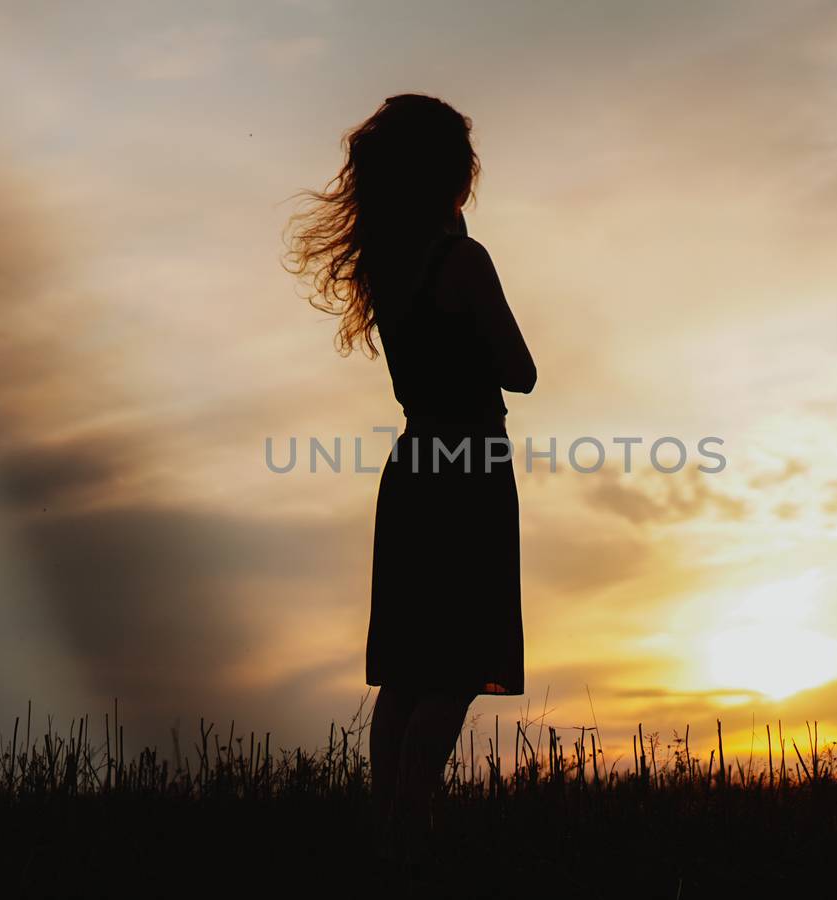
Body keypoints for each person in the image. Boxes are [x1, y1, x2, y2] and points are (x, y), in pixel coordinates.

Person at [285, 93, 536, 854]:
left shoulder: (390, 266)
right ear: (449, 174)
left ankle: (386, 827)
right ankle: (409, 824)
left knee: (410, 665)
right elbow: (519, 371)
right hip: (470, 463)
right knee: (458, 662)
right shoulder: (462, 259)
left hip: (414, 459)